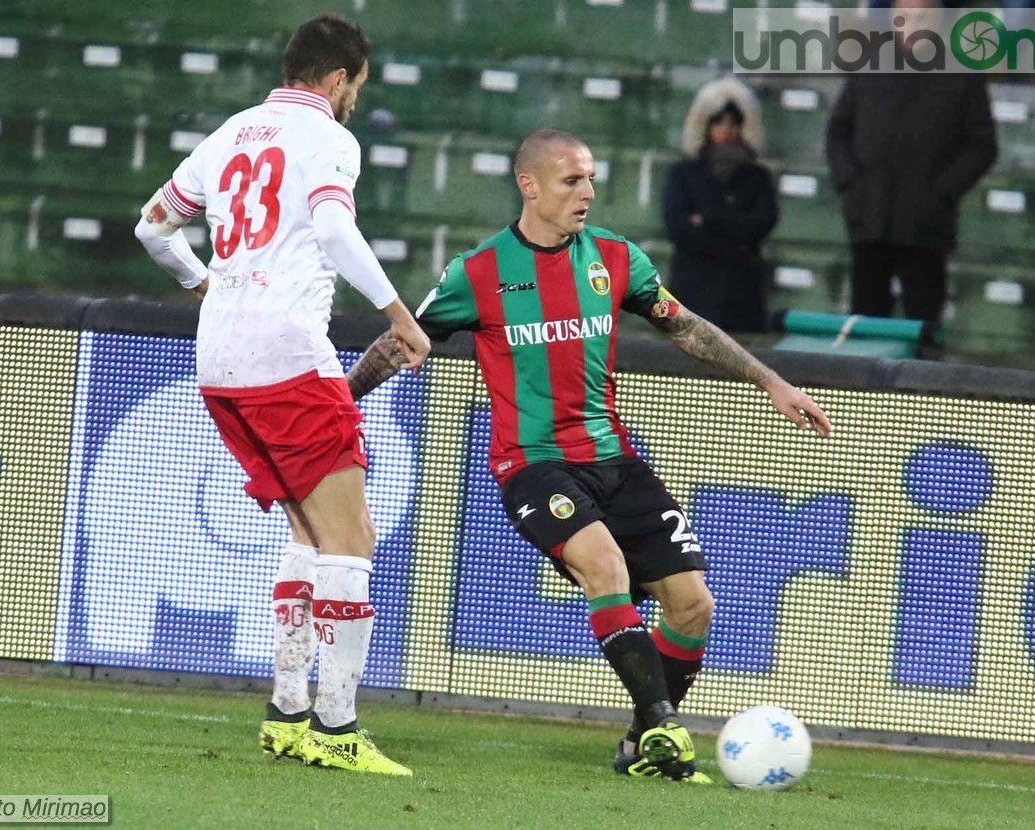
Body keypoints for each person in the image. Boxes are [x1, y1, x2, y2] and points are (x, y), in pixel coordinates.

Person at [346, 129, 833, 783]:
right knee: (603, 565)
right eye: (572, 180)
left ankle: (641, 741)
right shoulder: (480, 273)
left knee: (693, 605)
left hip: (615, 460)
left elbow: (684, 327)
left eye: (591, 178)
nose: (589, 193)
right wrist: (341, 402)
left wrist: (770, 381)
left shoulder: (615, 258)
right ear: (530, 185)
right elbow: (402, 339)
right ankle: (665, 726)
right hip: (533, 464)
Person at [134, 14, 429, 777]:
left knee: (307, 532)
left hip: (220, 362)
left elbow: (152, 227)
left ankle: (287, 711)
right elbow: (332, 230)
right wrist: (398, 314)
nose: (355, 98)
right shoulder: (329, 138)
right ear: (338, 79)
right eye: (357, 85)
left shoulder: (232, 133)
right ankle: (338, 727)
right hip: (288, 358)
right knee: (351, 537)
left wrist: (202, 282)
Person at [826, 0, 998, 323]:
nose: (913, 25)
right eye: (905, 18)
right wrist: (851, 183)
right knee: (864, 328)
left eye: (922, 17)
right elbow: (838, 130)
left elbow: (982, 145)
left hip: (926, 227)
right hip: (869, 221)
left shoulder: (961, 73)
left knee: (923, 329)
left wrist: (941, 194)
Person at [662, 78, 778, 333]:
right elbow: (677, 227)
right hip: (692, 290)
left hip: (741, 296)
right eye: (718, 122)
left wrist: (708, 220)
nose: (725, 130)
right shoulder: (682, 174)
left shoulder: (757, 177)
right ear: (704, 124)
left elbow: (762, 222)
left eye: (733, 123)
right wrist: (733, 238)